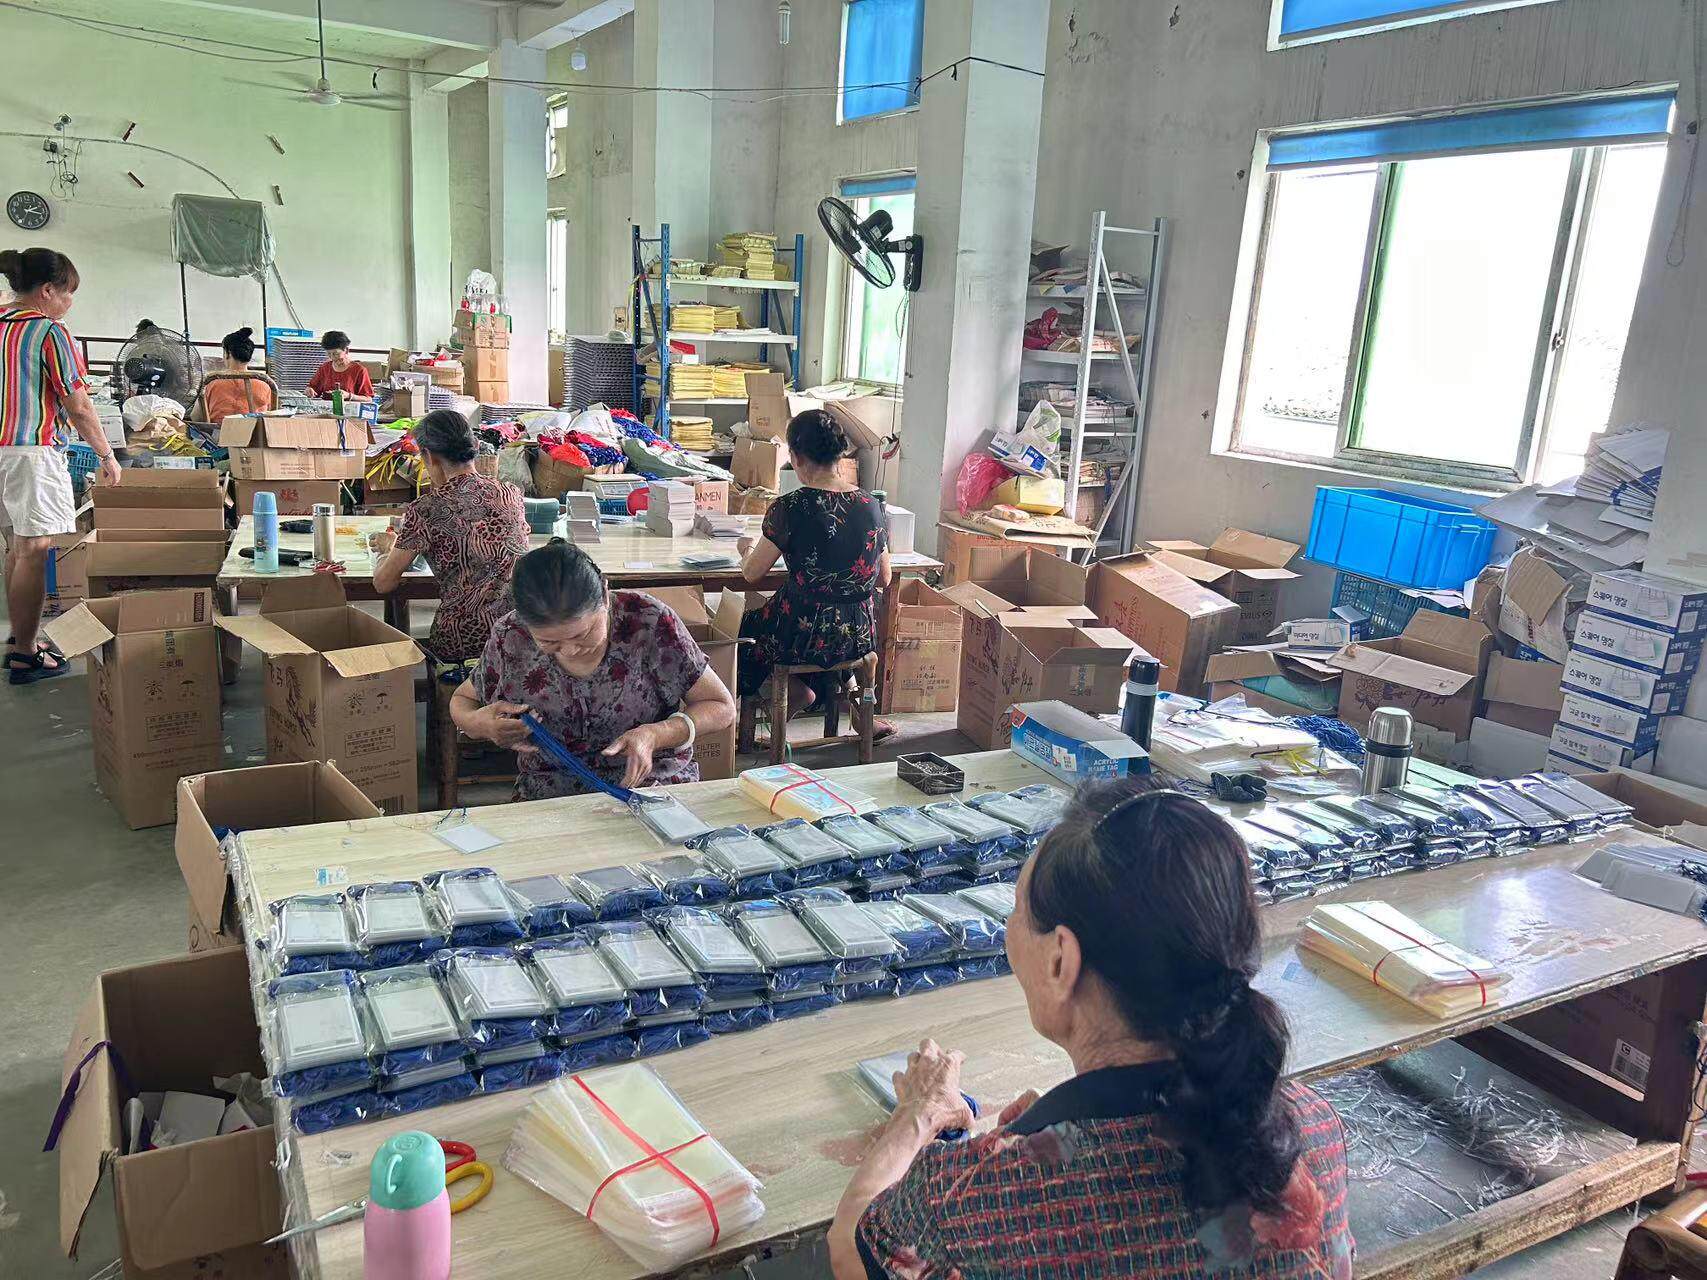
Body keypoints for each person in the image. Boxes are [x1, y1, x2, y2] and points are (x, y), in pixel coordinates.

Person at [831, 779, 1354, 1280]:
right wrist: (1057, 1124)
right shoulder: (1312, 1129)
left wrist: (919, 1114)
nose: (1010, 928)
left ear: (1061, 961)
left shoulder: (978, 1198)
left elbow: (853, 1249)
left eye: (1017, 912)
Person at [450, 540, 737, 799]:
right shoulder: (510, 636)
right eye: (549, 642)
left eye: (583, 635)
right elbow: (462, 700)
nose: (570, 650)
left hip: (649, 786)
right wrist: (481, 725)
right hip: (550, 793)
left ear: (605, 595)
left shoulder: (647, 621)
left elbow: (721, 707)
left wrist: (656, 735)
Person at [0, 248, 121, 685]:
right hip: (29, 453)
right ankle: (26, 654)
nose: (70, 302)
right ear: (48, 291)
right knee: (33, 550)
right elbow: (79, 405)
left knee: (15, 546)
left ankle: (21, 637)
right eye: (68, 293)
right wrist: (107, 455)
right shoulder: (49, 332)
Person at [734, 409, 890, 714]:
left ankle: (794, 692)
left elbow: (752, 573)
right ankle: (842, 700)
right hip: (857, 635)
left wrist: (746, 549)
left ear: (796, 457)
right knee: (819, 620)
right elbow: (884, 578)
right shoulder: (871, 505)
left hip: (803, 635)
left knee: (745, 631)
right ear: (839, 454)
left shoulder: (790, 507)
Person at [369, 409, 529, 663]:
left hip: (461, 643)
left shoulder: (426, 508)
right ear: (475, 447)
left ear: (429, 456)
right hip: (516, 636)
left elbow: (383, 583)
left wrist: (389, 549)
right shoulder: (511, 494)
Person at [193, 326, 276, 422]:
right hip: (254, 431)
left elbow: (196, 417)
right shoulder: (266, 384)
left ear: (228, 353)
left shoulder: (211, 382)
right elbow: (272, 416)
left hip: (219, 431)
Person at [306, 329, 373, 400]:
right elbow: (313, 388)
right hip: (326, 406)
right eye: (329, 354)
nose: (332, 358)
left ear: (346, 350)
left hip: (348, 406)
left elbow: (368, 399)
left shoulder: (359, 370)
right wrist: (310, 390)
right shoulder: (324, 368)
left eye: (336, 354)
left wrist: (349, 396)